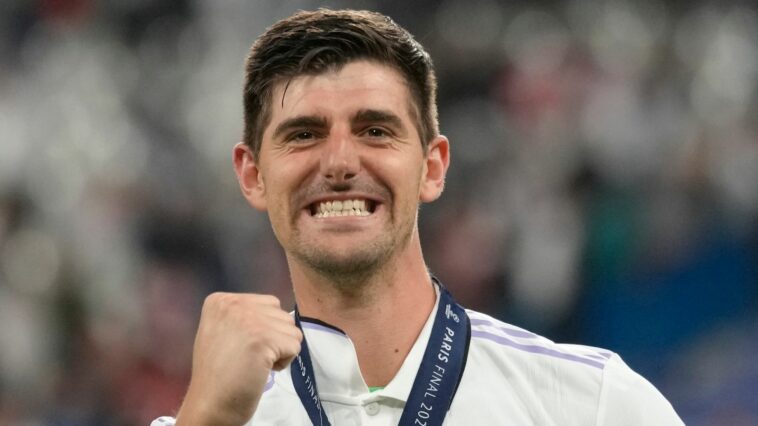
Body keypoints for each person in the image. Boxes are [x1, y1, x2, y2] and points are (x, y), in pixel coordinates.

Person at [153, 8, 683, 426]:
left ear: (432, 168)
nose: (339, 162)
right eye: (304, 134)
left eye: (376, 130)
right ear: (252, 175)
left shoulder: (592, 405)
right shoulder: (213, 416)